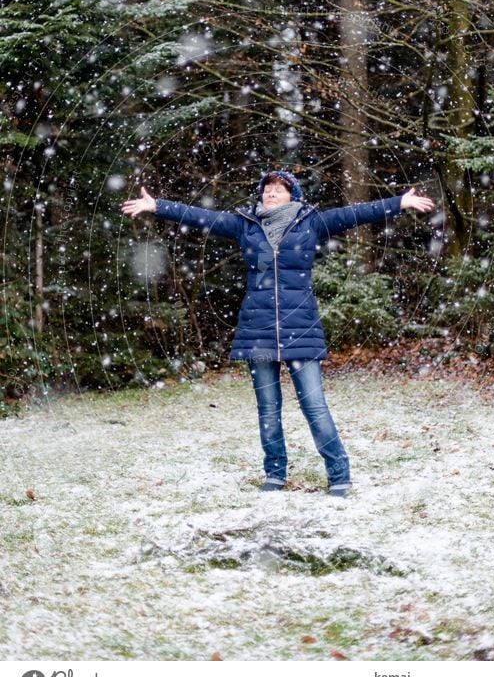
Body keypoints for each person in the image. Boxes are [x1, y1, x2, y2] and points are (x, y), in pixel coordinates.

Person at [121, 170, 435, 497]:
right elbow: (202, 217)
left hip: (301, 328)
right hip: (257, 330)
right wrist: (157, 205)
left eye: (279, 190)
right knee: (268, 408)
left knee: (314, 406)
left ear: (292, 196)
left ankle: (339, 475)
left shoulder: (310, 222)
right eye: (267, 189)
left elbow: (354, 214)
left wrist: (399, 202)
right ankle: (275, 473)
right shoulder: (245, 225)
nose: (271, 194)